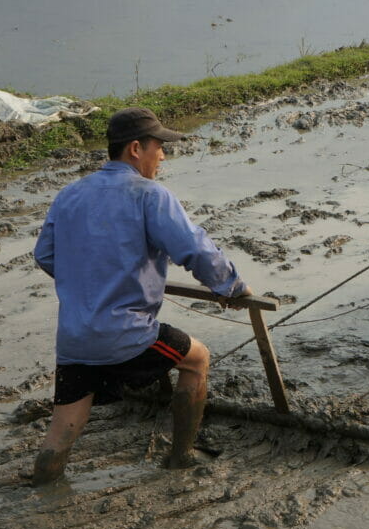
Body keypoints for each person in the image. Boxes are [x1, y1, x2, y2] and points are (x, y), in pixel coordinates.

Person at [31, 107, 252, 485]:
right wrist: (231, 286)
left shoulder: (70, 194)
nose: (163, 155)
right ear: (136, 149)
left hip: (74, 338)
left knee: (60, 432)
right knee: (197, 359)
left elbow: (45, 255)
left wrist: (91, 280)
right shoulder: (149, 194)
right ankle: (180, 456)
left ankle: (44, 489)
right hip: (127, 334)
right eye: (159, 146)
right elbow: (194, 250)